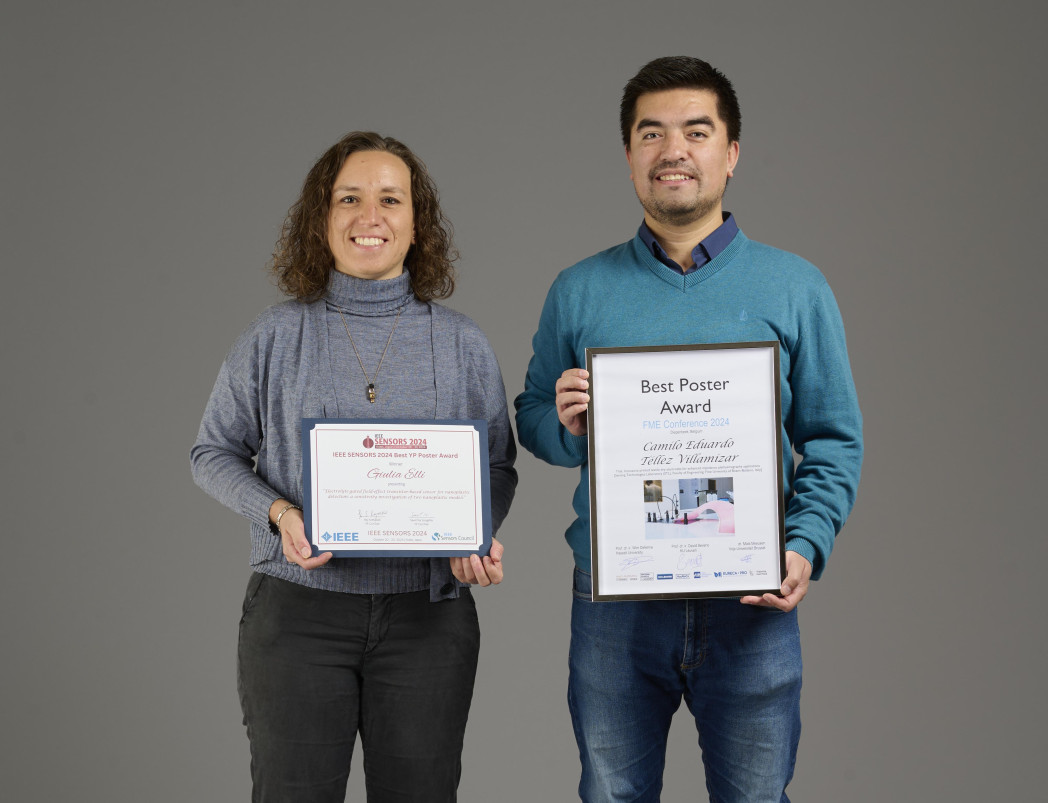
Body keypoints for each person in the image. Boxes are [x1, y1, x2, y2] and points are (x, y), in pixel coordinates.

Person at [515, 57, 862, 802]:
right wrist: (568, 425)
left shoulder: (796, 286)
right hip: (614, 603)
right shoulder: (579, 288)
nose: (674, 150)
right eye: (652, 133)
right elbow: (534, 418)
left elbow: (833, 438)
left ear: (730, 153)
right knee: (611, 795)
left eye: (696, 131)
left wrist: (804, 542)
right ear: (631, 156)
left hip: (750, 602)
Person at [191, 131, 516, 802]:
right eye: (350, 198)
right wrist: (278, 513)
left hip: (428, 621)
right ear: (322, 218)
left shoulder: (462, 343)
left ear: (416, 223)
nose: (370, 216)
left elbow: (498, 465)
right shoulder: (275, 334)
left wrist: (474, 532)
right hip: (298, 615)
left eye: (390, 199)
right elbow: (211, 452)